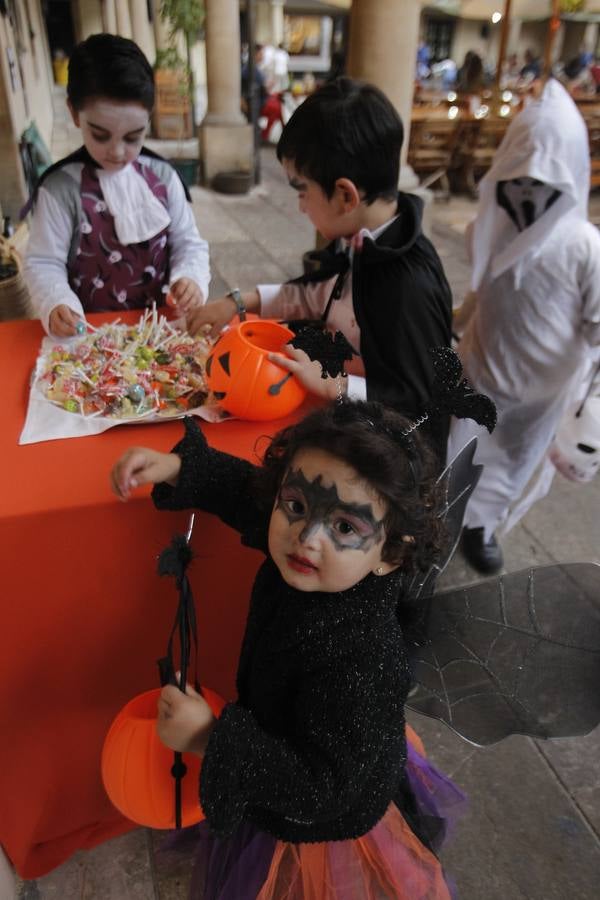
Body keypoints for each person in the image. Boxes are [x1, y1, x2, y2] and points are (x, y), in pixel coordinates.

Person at [110, 399, 462, 899]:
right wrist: (184, 468)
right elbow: (252, 497)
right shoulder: (316, 557)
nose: (306, 537)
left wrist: (213, 738)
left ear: (391, 555)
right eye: (296, 506)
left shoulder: (362, 657)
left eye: (344, 527)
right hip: (293, 733)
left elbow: (323, 787)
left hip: (314, 803)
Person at [187, 77, 453, 456]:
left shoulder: (407, 285)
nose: (300, 205)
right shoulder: (364, 238)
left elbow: (416, 403)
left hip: (380, 459)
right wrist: (238, 302)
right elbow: (319, 293)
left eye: (302, 190)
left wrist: (337, 385)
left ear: (345, 194)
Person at [448, 78, 600, 574]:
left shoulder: (585, 247)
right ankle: (445, 526)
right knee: (461, 457)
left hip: (542, 394)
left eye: (544, 182)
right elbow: (483, 287)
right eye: (520, 178)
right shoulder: (486, 228)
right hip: (482, 369)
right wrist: (458, 320)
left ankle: (483, 526)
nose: (529, 193)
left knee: (512, 467)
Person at [24, 33, 210, 338]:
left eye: (134, 137)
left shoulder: (163, 179)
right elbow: (44, 262)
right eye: (100, 135)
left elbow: (188, 243)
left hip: (157, 332)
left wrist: (190, 277)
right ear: (73, 113)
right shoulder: (61, 189)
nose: (118, 151)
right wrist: (55, 300)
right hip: (86, 335)